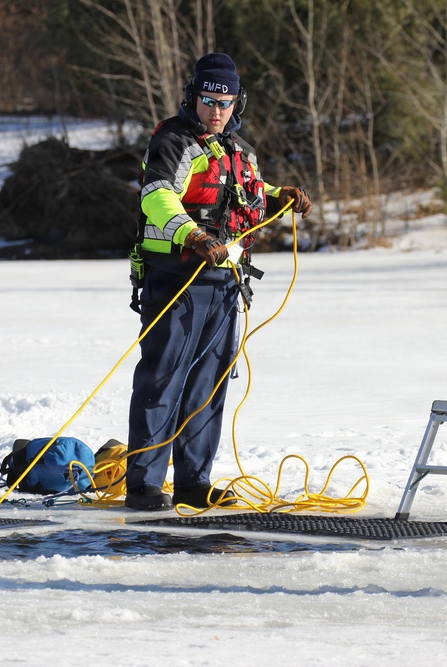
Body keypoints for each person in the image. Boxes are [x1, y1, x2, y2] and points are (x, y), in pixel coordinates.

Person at [124, 52, 313, 511]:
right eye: (209, 101)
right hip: (177, 279)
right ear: (194, 96)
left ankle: (194, 482)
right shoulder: (173, 141)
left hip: (225, 284)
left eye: (225, 103)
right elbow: (157, 196)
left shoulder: (240, 151)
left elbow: (247, 195)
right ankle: (145, 487)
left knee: (210, 382)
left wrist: (279, 197)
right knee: (162, 377)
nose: (216, 111)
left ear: (237, 104)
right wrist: (193, 235)